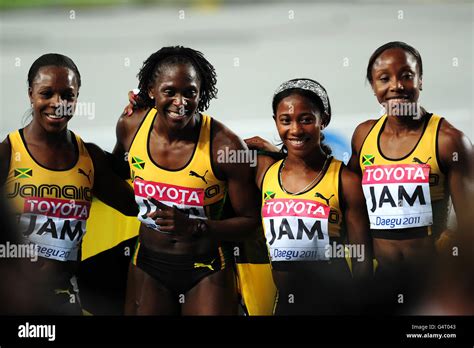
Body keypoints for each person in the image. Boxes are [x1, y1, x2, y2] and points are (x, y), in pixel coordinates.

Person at [113, 46, 260, 315]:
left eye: (189, 92)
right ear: (151, 90)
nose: (180, 103)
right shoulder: (130, 126)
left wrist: (195, 226)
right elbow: (115, 171)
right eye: (170, 91)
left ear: (201, 92)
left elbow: (250, 223)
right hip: (148, 263)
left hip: (207, 267)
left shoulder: (224, 146)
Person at [0, 53, 138, 315]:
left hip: (64, 299)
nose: (57, 103)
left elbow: (135, 206)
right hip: (15, 299)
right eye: (47, 93)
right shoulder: (8, 154)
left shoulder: (89, 158)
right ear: (31, 94)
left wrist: (128, 133)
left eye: (67, 95)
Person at [347, 41, 474, 313]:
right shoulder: (363, 136)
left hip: (431, 281)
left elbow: (470, 227)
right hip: (381, 278)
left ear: (421, 81)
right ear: (373, 86)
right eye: (384, 78)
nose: (397, 86)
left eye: (407, 75)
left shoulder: (448, 141)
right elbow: (345, 195)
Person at [248, 78, 372, 314]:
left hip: (336, 304)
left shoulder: (345, 181)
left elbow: (362, 259)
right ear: (276, 122)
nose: (295, 129)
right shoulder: (265, 173)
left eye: (306, 119)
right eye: (286, 120)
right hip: (285, 305)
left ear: (323, 120)